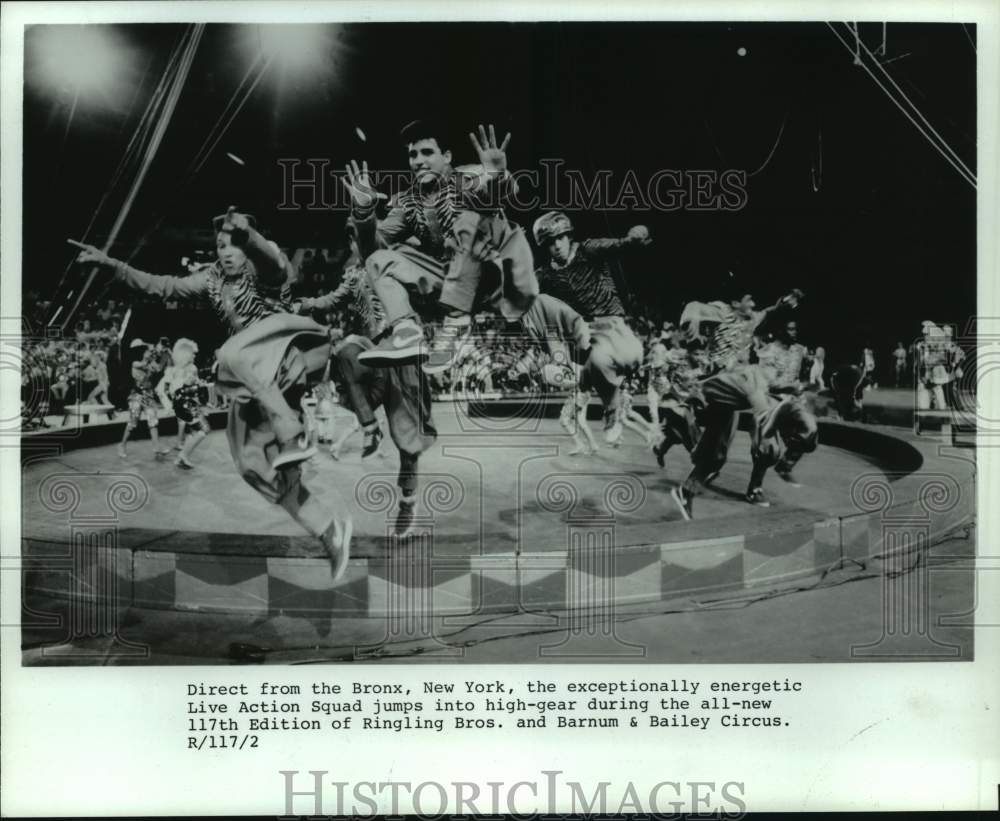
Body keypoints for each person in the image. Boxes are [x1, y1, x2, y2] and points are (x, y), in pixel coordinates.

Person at [68, 207, 352, 578]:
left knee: (229, 353)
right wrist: (113, 266)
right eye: (221, 245)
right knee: (252, 466)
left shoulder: (263, 267)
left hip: (285, 353)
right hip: (254, 378)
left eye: (234, 245)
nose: (226, 251)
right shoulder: (212, 278)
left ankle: (293, 435)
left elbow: (274, 263)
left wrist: (248, 234)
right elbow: (164, 285)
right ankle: (328, 531)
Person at [342, 119, 537, 373]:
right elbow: (372, 253)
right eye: (413, 155)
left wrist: (497, 176)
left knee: (469, 224)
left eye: (427, 152)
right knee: (379, 259)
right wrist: (364, 213)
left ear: (446, 156)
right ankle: (407, 332)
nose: (418, 161)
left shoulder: (467, 178)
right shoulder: (407, 201)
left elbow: (499, 195)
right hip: (446, 285)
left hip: (491, 280)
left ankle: (456, 324)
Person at [669, 285, 810, 519]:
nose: (753, 306)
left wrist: (787, 302)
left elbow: (771, 310)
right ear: (736, 303)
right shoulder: (721, 311)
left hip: (733, 394)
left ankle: (686, 492)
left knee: (716, 457)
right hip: (717, 382)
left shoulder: (752, 318)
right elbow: (692, 309)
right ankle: (765, 415)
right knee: (753, 373)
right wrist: (693, 332)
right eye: (750, 301)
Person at [532, 210, 650, 444]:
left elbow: (620, 246)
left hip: (613, 322)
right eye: (550, 242)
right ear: (544, 247)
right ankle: (611, 412)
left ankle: (586, 388)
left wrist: (635, 237)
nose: (556, 246)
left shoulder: (588, 249)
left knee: (609, 359)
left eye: (560, 238)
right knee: (596, 357)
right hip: (583, 332)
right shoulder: (545, 275)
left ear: (568, 236)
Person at [156, 338, 209, 470]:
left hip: (181, 404)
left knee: (194, 431)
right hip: (185, 404)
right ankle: (183, 456)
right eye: (193, 353)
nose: (195, 355)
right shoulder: (191, 368)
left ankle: (181, 457)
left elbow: (166, 390)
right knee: (203, 429)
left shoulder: (173, 370)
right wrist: (197, 386)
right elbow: (189, 388)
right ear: (185, 354)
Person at [118, 340, 170, 460]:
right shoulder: (136, 363)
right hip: (136, 396)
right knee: (132, 423)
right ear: (140, 351)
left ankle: (157, 449)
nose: (149, 352)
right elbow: (144, 366)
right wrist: (154, 353)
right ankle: (122, 445)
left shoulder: (149, 362)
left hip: (148, 395)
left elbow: (159, 368)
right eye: (146, 350)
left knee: (153, 421)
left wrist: (165, 355)